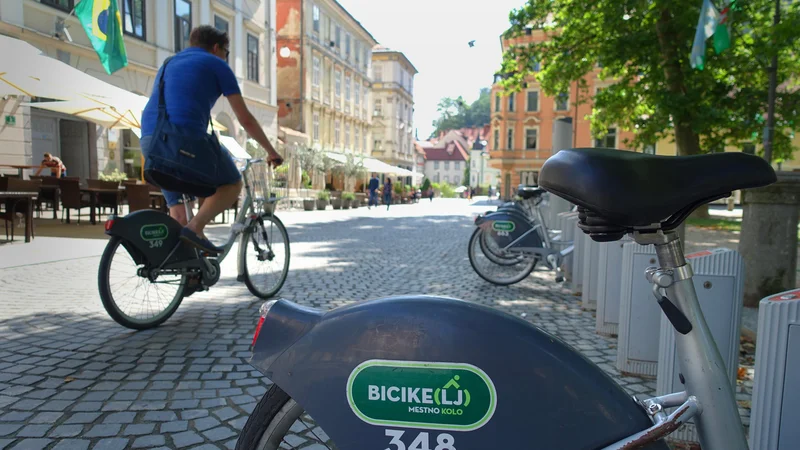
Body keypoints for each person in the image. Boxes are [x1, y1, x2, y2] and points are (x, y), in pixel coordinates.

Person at [140, 26, 282, 254]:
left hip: (151, 141)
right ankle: (196, 228)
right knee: (232, 184)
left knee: (179, 213)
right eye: (226, 52)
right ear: (217, 48)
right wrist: (271, 151)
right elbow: (245, 119)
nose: (226, 57)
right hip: (183, 141)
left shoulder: (168, 63)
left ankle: (188, 269)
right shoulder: (217, 64)